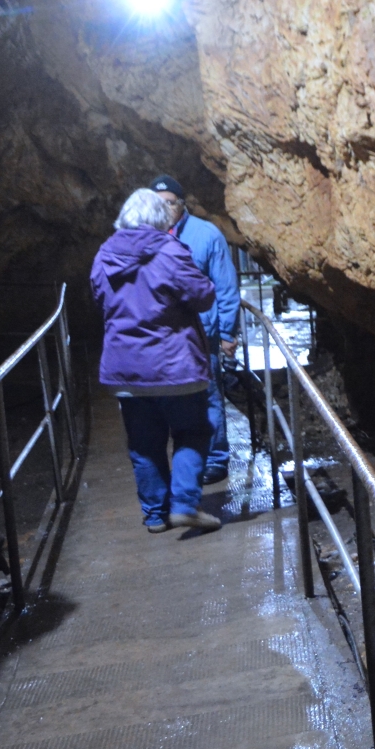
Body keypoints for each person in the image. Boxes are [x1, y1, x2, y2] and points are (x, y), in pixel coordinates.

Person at [91, 188, 223, 533]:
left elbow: (99, 297)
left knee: (144, 445)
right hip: (174, 365)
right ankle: (183, 505)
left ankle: (155, 516)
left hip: (126, 370)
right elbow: (203, 296)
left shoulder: (105, 253)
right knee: (193, 431)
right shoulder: (168, 249)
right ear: (159, 219)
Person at [151, 175, 238, 485]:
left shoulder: (206, 235)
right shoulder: (145, 235)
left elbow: (225, 286)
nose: (164, 210)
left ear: (181, 204)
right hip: (164, 337)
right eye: (157, 204)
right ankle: (188, 457)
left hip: (202, 335)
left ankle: (215, 459)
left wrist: (227, 332)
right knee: (173, 400)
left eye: (170, 203)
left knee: (208, 397)